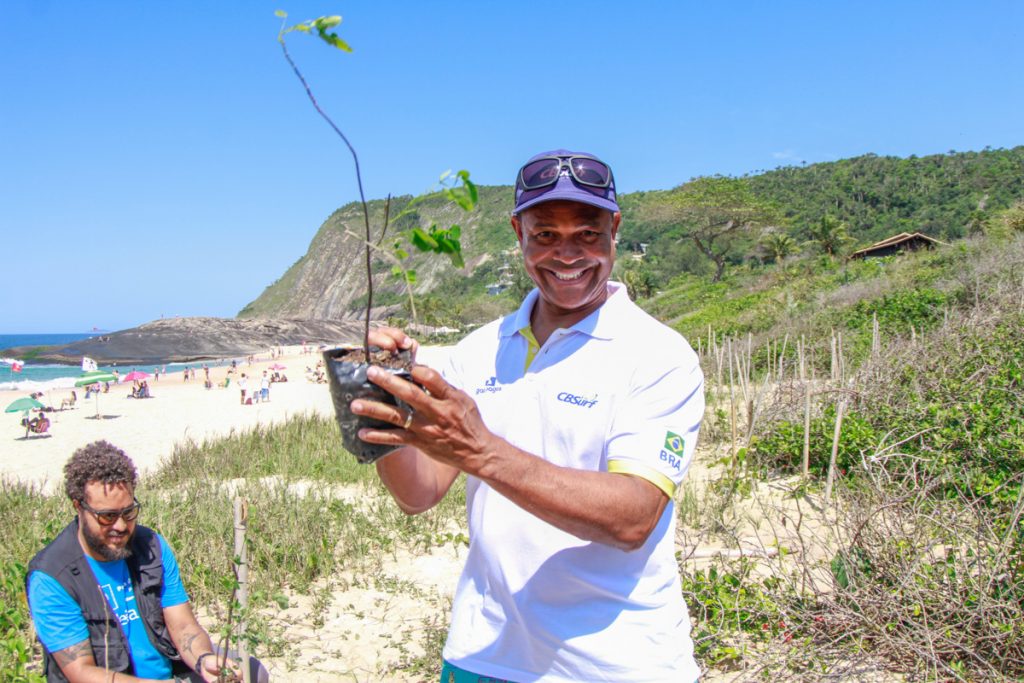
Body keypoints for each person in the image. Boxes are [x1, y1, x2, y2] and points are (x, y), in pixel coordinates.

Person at [351, 150, 704, 682]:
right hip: (483, 650)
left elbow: (633, 517)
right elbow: (417, 494)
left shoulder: (658, 354)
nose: (567, 255)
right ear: (518, 232)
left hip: (618, 662)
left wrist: (481, 450)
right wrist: (386, 408)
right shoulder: (477, 349)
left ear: (615, 229)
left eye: (586, 234)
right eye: (544, 235)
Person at [25, 441, 269, 682]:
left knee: (251, 672)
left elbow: (183, 627)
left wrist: (203, 658)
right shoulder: (52, 577)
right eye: (107, 516)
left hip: (170, 673)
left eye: (128, 512)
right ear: (79, 507)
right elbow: (82, 672)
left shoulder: (152, 547)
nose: (120, 526)